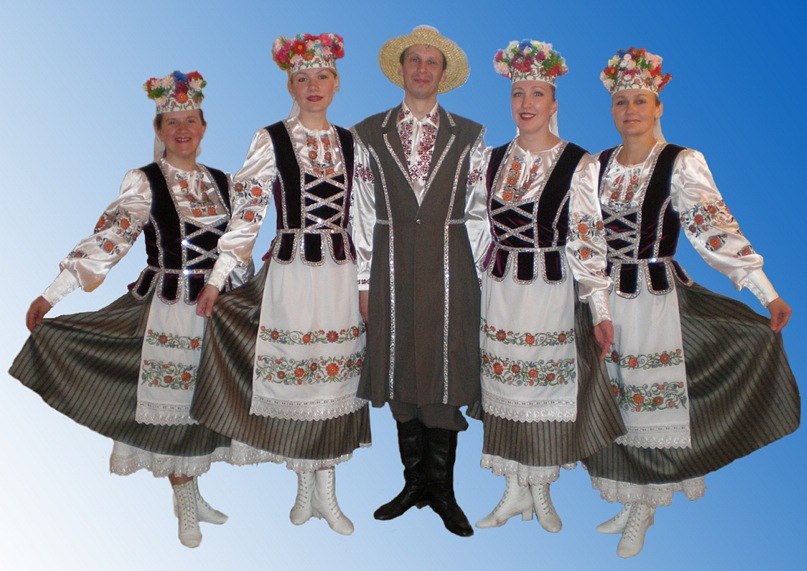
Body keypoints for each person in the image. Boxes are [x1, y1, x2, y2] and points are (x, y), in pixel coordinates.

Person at [583, 48, 800, 558]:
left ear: (658, 106)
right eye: (621, 102)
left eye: (640, 100)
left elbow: (713, 230)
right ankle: (631, 497)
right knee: (613, 400)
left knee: (649, 400)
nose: (630, 110)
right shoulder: (597, 165)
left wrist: (765, 290)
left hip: (654, 298)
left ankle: (645, 507)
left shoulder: (680, 163)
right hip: (603, 298)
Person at [9, 71, 241, 548]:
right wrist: (55, 292)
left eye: (190, 120)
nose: (182, 129)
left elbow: (236, 250)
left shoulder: (224, 182)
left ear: (203, 126)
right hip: (168, 308)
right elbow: (110, 239)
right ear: (158, 129)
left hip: (217, 310)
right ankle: (184, 502)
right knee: (173, 406)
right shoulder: (145, 182)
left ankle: (194, 492)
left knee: (204, 406)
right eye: (172, 121)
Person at [192, 32, 369, 536]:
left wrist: (366, 283)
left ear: (336, 83)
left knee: (335, 380)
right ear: (290, 86)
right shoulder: (270, 139)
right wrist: (218, 279)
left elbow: (363, 218)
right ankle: (302, 487)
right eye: (302, 78)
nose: (313, 85)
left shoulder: (353, 143)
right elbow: (247, 215)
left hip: (340, 276)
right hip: (291, 274)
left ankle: (325, 491)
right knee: (298, 377)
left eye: (322, 76)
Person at [474, 40, 625, 533]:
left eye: (537, 93)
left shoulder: (579, 163)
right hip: (500, 291)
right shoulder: (489, 160)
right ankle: (513, 490)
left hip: (548, 291)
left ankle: (540, 489)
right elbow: (476, 230)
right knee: (503, 385)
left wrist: (600, 309)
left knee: (543, 388)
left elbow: (587, 239)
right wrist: (472, 286)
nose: (526, 103)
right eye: (518, 93)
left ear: (554, 102)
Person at [351, 25, 488, 537]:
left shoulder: (470, 134)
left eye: (432, 62)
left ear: (443, 73)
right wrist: (364, 280)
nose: (423, 69)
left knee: (444, 369)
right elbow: (361, 210)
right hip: (390, 263)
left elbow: (480, 210)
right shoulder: (369, 132)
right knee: (399, 367)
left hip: (450, 265)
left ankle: (443, 491)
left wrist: (483, 277)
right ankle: (413, 484)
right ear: (401, 69)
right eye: (415, 60)